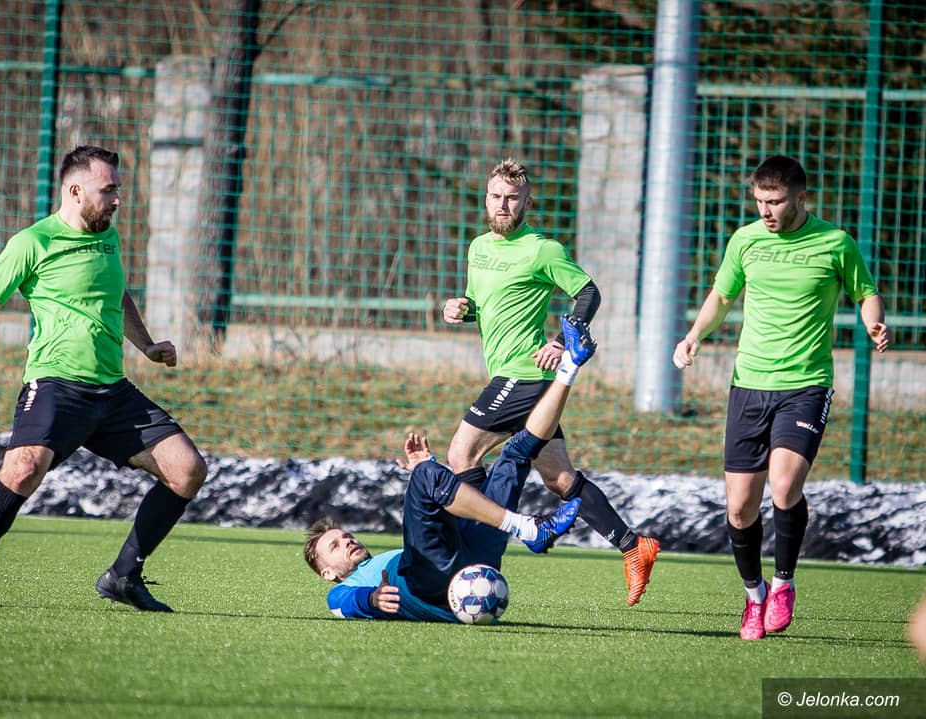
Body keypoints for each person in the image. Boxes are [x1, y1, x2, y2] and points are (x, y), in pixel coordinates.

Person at [0, 145, 207, 612]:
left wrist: (146, 345)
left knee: (188, 470)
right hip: (56, 386)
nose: (118, 199)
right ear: (75, 191)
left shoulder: (108, 238)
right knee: (23, 470)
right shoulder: (32, 242)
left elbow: (116, 292)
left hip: (113, 393)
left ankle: (123, 576)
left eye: (118, 189)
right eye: (108, 190)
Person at [672, 155, 890, 640]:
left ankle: (785, 583)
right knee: (739, 509)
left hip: (806, 384)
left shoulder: (835, 243)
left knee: (786, 486)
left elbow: (866, 293)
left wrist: (875, 322)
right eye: (759, 201)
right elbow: (722, 297)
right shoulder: (745, 241)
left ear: (800, 197)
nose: (765, 211)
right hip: (749, 384)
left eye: (774, 202)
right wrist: (693, 336)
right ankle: (755, 596)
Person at [441, 157, 659, 607]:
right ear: (486, 198)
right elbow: (483, 303)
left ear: (527, 202)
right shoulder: (478, 247)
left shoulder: (542, 250)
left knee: (462, 452)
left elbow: (588, 292)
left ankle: (477, 552)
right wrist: (462, 308)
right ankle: (632, 545)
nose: (503, 205)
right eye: (496, 196)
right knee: (558, 477)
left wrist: (561, 341)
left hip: (524, 374)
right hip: (511, 374)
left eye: (512, 198)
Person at [304, 314, 593, 622]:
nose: (347, 541)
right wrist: (371, 599)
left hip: (472, 554)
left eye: (345, 535)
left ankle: (569, 367)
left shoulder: (385, 559)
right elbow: (343, 604)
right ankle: (526, 528)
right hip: (428, 581)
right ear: (327, 572)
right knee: (424, 474)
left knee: (517, 451)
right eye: (334, 546)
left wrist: (431, 475)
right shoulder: (349, 588)